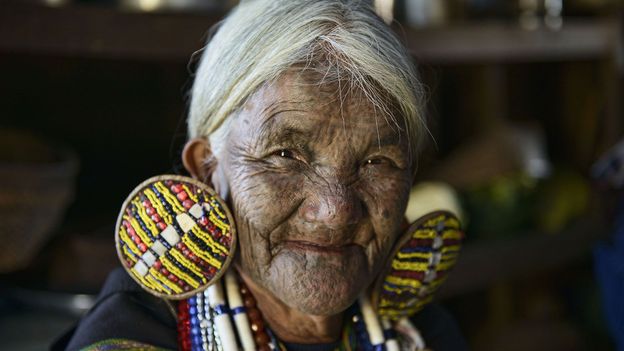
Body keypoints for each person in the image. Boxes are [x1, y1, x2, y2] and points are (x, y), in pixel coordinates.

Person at [54, 0, 467, 349]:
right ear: (207, 168)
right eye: (284, 154)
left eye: (377, 162)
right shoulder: (130, 336)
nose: (336, 211)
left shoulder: (424, 332)